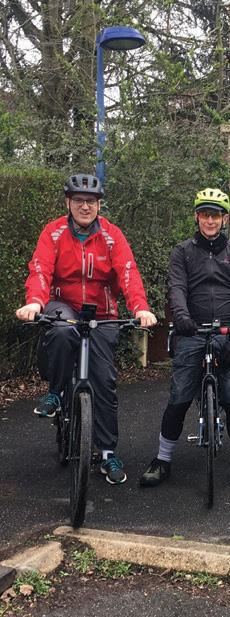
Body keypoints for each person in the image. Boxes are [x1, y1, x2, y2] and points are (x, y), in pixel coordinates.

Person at [16, 173, 157, 485]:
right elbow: (40, 269)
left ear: (98, 205)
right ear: (68, 202)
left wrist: (140, 307)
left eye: (91, 201)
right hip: (62, 304)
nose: (85, 206)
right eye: (79, 200)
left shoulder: (111, 235)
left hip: (101, 312)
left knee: (104, 381)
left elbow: (128, 272)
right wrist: (35, 302)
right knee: (61, 330)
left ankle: (107, 453)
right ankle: (55, 393)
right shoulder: (53, 233)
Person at [139, 187, 230, 488]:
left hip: (228, 331)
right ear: (197, 217)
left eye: (215, 215)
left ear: (224, 219)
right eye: (205, 214)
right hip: (192, 330)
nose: (210, 220)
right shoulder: (182, 252)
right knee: (179, 396)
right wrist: (182, 318)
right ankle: (162, 459)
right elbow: (177, 287)